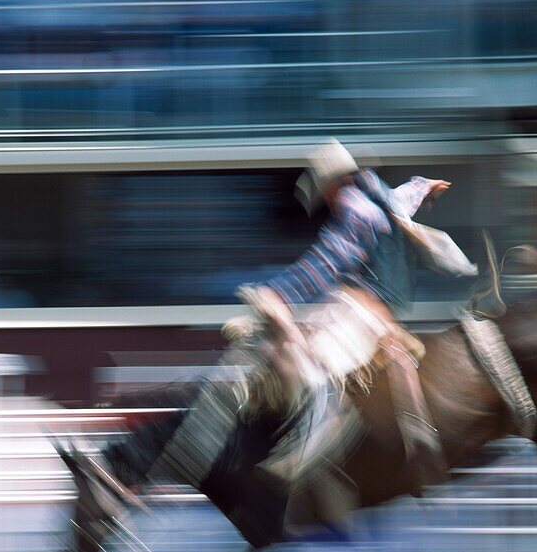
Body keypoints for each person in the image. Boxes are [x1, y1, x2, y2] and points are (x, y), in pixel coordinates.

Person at [154, 139, 477, 495]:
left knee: (313, 363)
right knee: (292, 339)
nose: (325, 198)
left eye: (325, 189)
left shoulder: (355, 210)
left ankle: (308, 446)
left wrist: (278, 295)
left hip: (363, 309)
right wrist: (425, 185)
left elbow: (326, 264)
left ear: (334, 184)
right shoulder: (384, 199)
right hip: (361, 303)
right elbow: (408, 193)